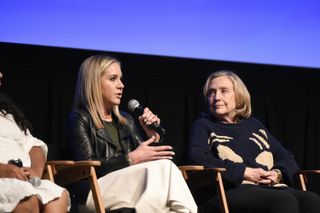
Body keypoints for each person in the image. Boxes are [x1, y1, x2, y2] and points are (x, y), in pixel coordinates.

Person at [65, 55, 197, 213]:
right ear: (93, 83)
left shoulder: (125, 120)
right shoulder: (79, 118)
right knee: (164, 169)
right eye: (113, 79)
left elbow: (149, 162)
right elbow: (86, 168)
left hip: (130, 187)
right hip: (94, 189)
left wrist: (152, 137)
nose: (121, 85)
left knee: (165, 174)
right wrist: (129, 159)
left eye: (120, 79)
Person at [187, 70, 320, 213]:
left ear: (239, 96)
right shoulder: (203, 125)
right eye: (211, 92)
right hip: (230, 190)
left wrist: (277, 174)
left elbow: (287, 157)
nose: (216, 97)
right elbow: (196, 157)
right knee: (283, 200)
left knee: (311, 200)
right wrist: (242, 171)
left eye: (223, 91)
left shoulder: (254, 125)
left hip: (268, 188)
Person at [0, 71, 70, 213]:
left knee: (57, 197)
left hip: (24, 179)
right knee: (26, 198)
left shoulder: (6, 115)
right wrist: (3, 169)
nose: (1, 75)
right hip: (5, 180)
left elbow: (34, 145)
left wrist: (36, 171)